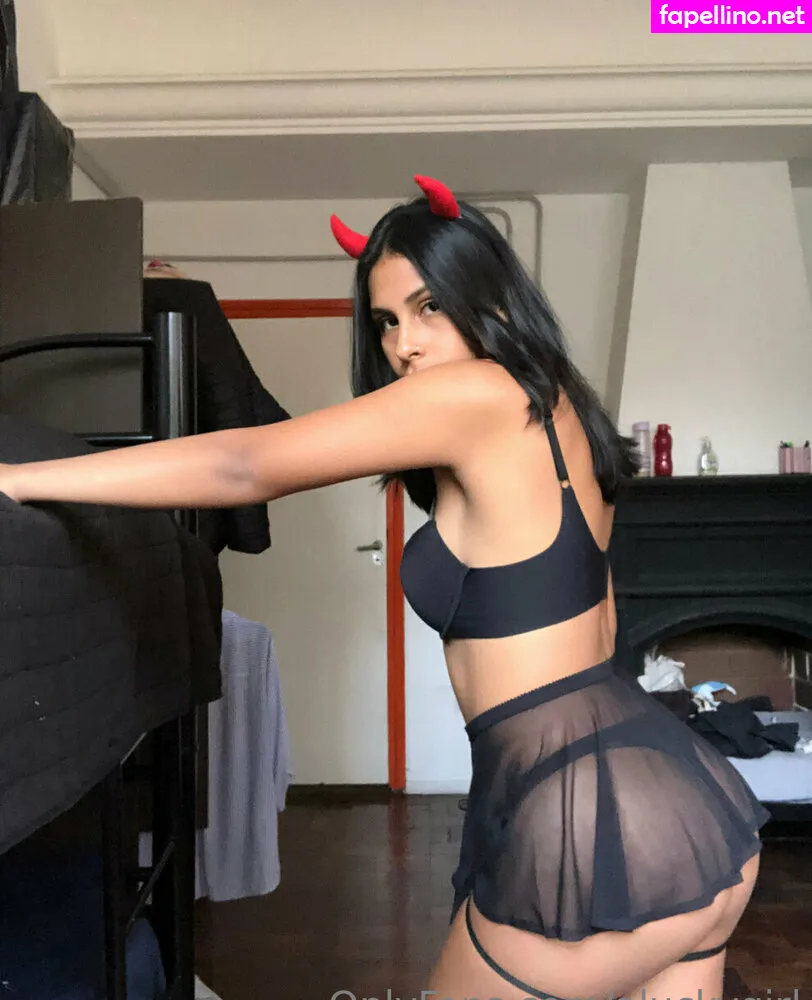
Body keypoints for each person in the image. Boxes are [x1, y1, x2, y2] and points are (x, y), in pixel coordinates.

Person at [0, 175, 767, 1000]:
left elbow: (245, 464)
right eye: (386, 321)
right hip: (683, 803)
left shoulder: (476, 393)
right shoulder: (559, 411)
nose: (404, 344)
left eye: (429, 307)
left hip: (584, 814)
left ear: (491, 301)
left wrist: (22, 477)